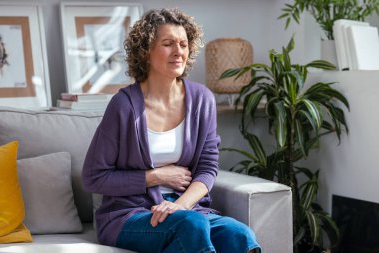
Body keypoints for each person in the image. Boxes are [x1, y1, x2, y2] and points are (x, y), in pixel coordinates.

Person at [82, 8, 261, 253]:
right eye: (168, 44)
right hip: (130, 214)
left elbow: (208, 168)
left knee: (239, 234)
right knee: (191, 226)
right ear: (145, 51)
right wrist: (155, 177)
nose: (179, 52)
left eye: (184, 44)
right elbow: (93, 177)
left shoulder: (202, 100)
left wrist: (181, 205)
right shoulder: (123, 106)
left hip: (187, 210)